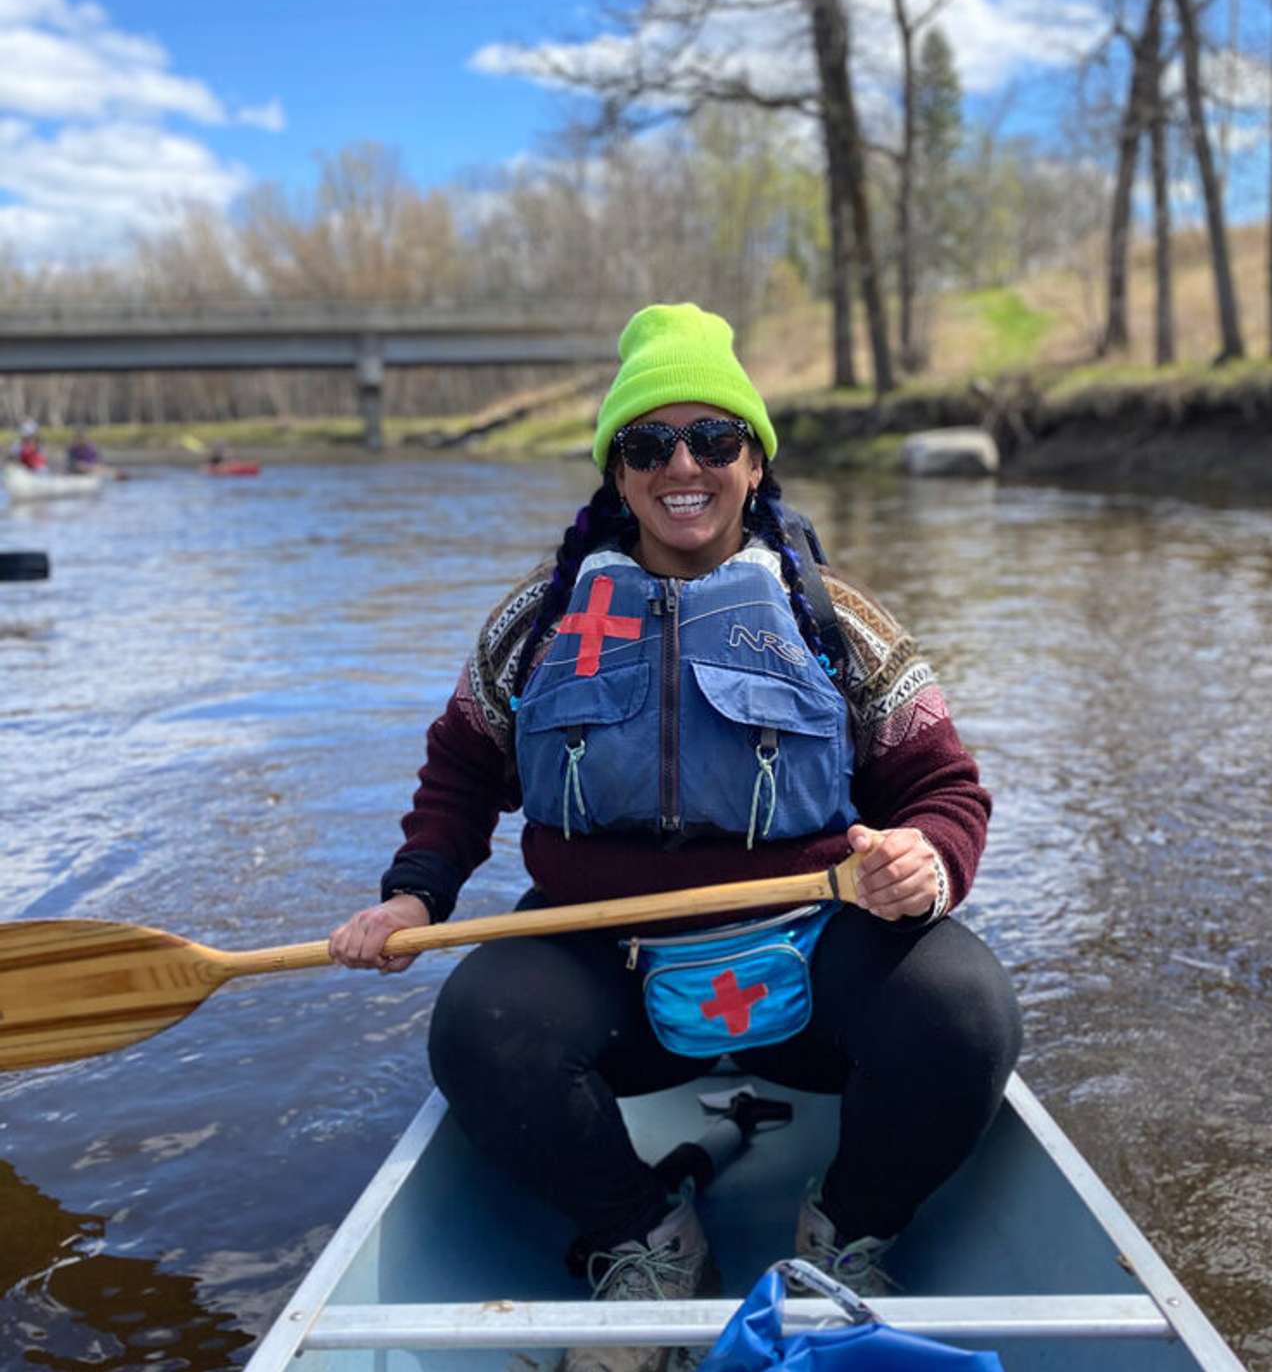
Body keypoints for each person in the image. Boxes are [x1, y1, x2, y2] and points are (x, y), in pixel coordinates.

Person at [329, 303, 1022, 1372]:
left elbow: (943, 786)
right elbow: (462, 767)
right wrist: (415, 894)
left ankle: (846, 1227)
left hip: (810, 954)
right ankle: (643, 1234)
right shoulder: (537, 622)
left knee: (963, 1013)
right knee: (481, 1028)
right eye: (649, 444)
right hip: (610, 966)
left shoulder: (839, 619)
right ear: (617, 471)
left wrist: (928, 857)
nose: (682, 464)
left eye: (714, 438)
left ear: (754, 463)